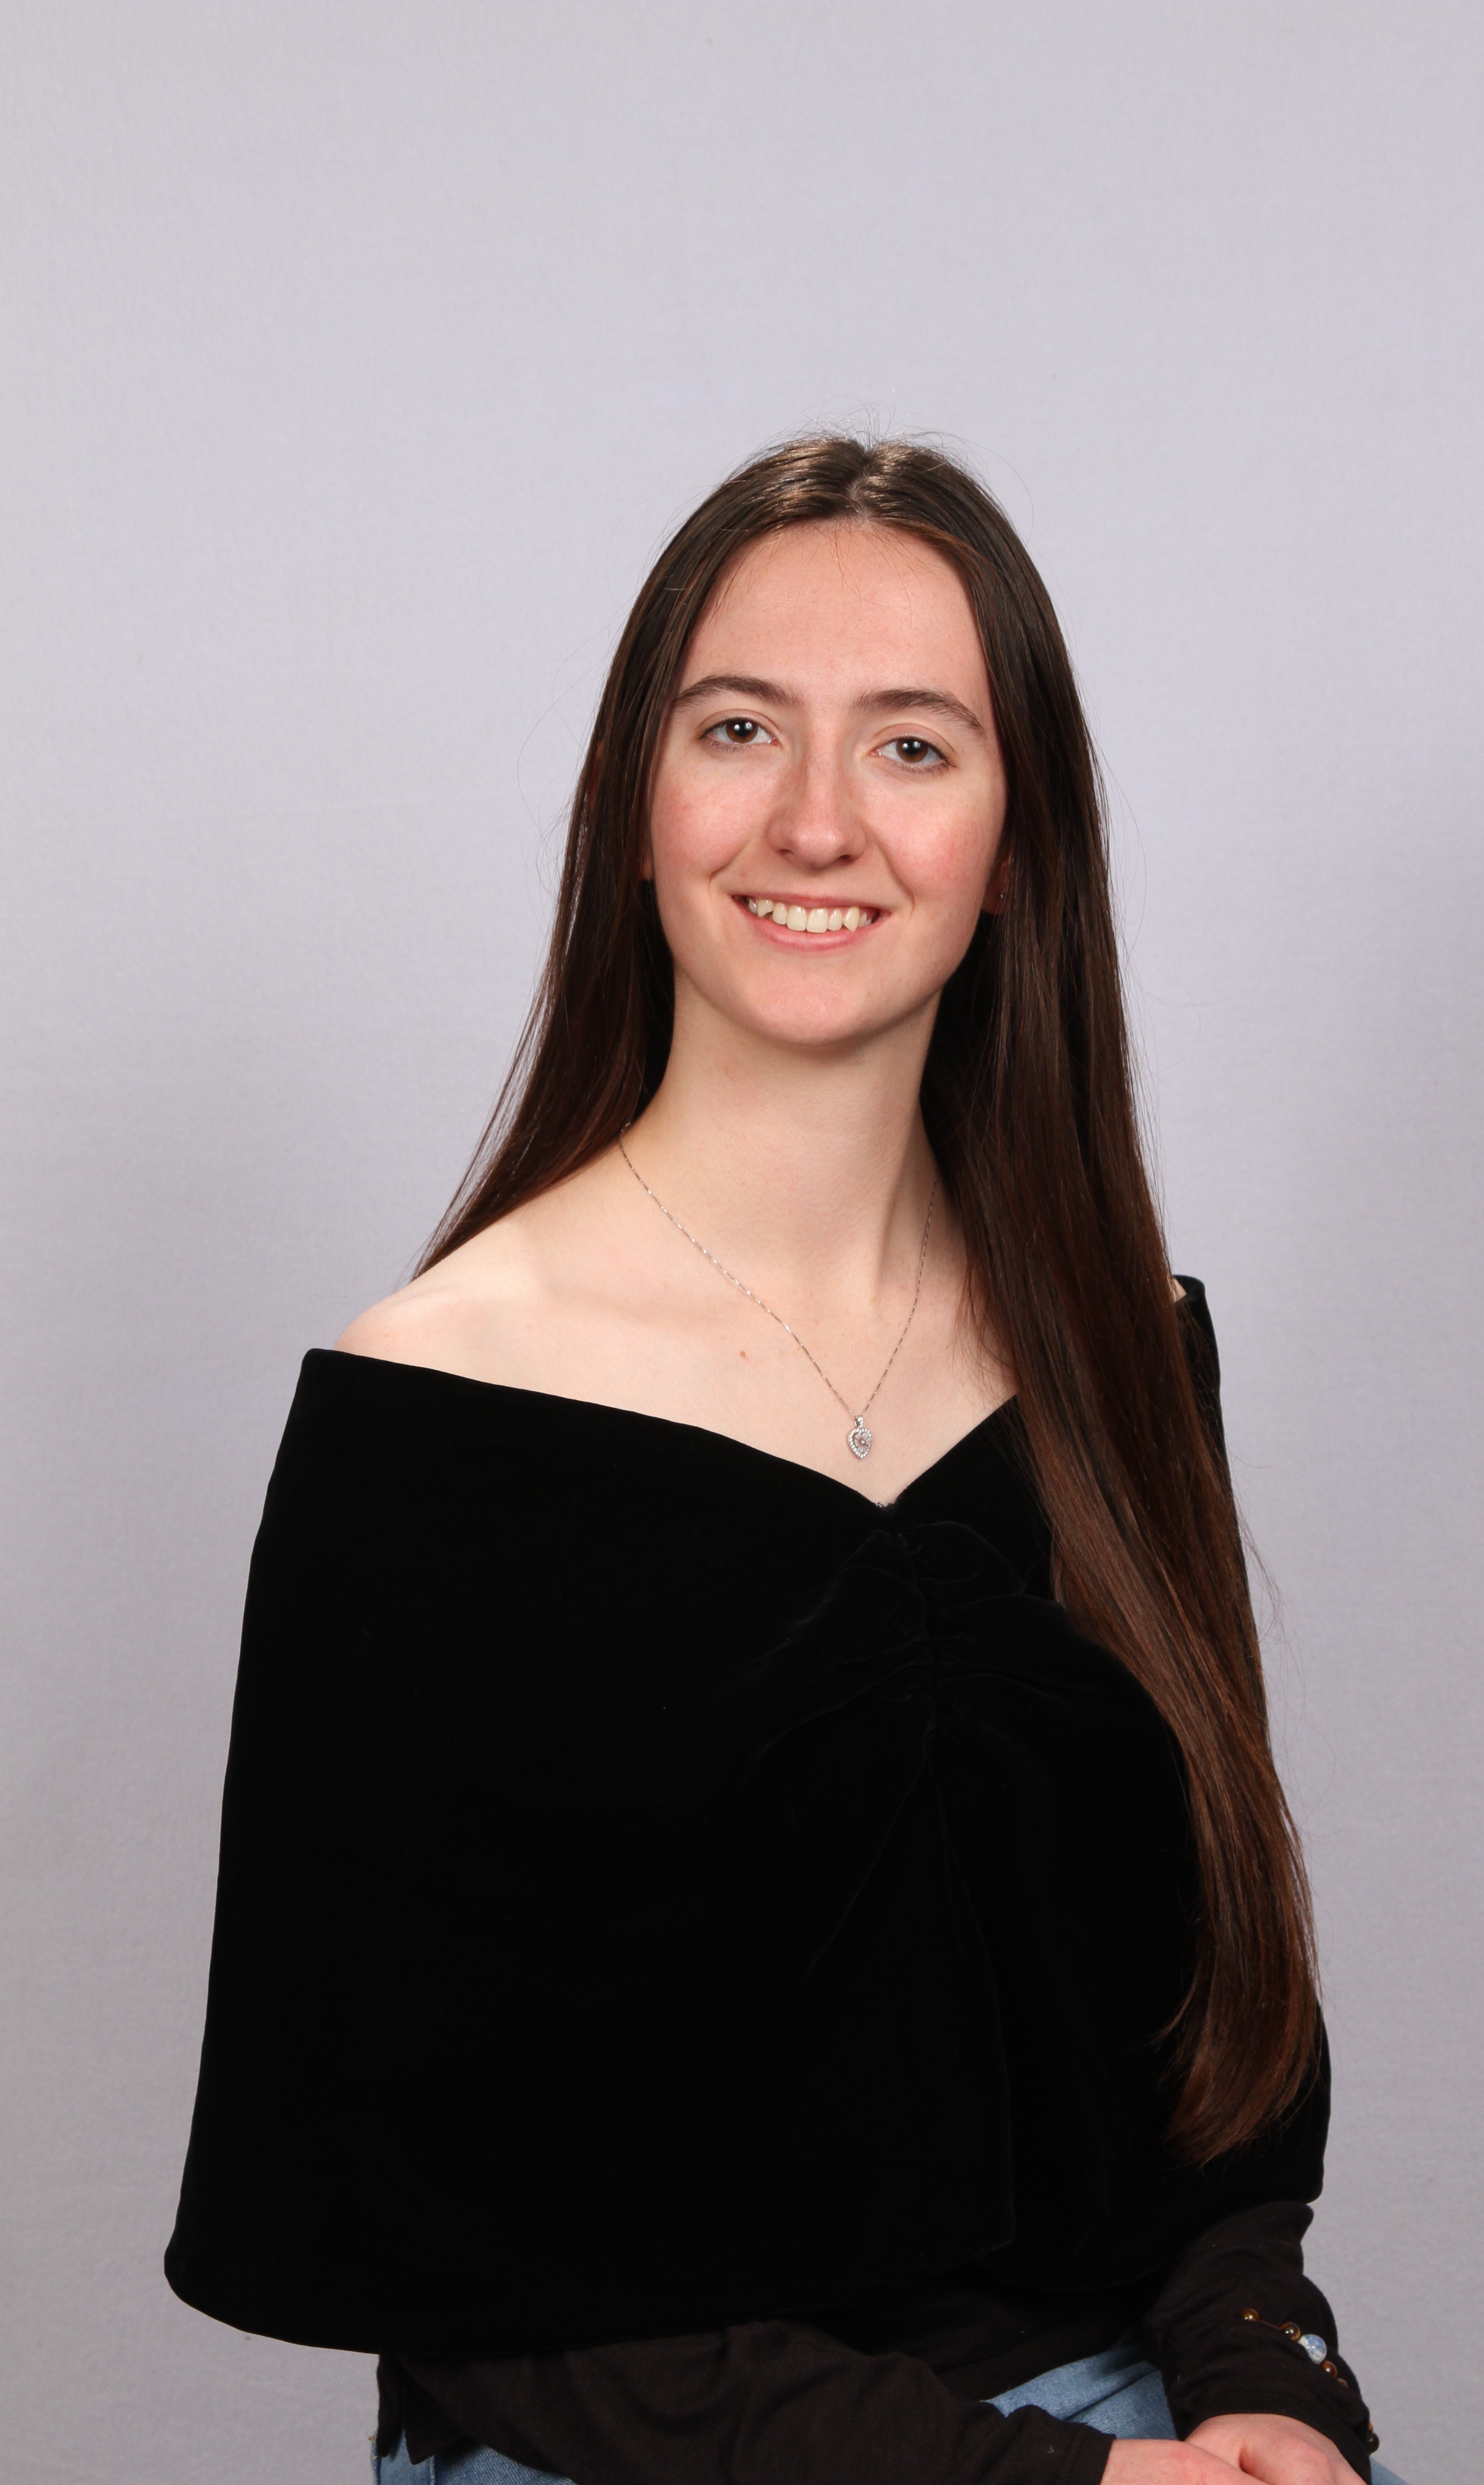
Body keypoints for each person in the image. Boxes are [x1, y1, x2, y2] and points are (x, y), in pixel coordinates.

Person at [165, 435, 1405, 2485]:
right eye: (740, 729)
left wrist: (1263, 2375)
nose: (818, 821)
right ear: (629, 809)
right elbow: (446, 2265)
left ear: (1018, 843)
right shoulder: (432, 1419)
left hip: (1129, 2419)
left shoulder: (1122, 1348)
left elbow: (1211, 2023)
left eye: (913, 747)